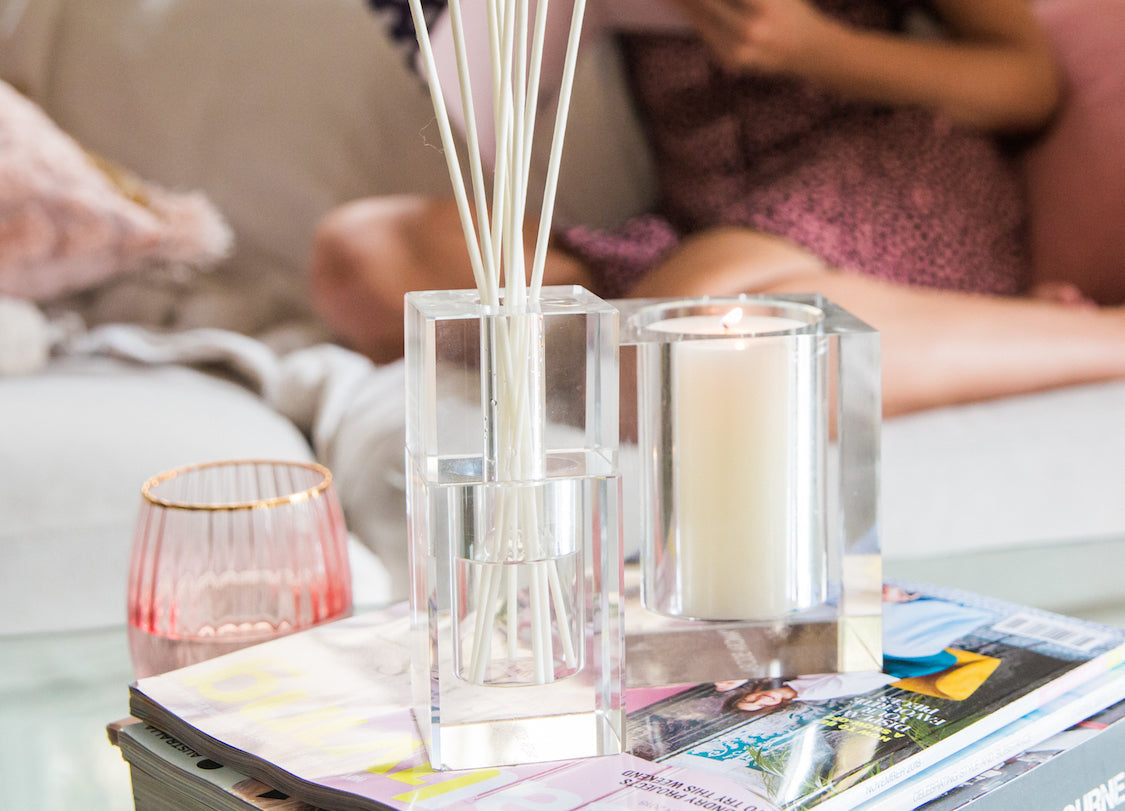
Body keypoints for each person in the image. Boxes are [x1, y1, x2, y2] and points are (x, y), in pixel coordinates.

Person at [310, 0, 1125, 417]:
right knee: (364, 255)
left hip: (886, 175)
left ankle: (1097, 338)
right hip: (701, 228)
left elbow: (1027, 81)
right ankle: (689, 351)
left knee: (675, 339)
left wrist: (814, 47)